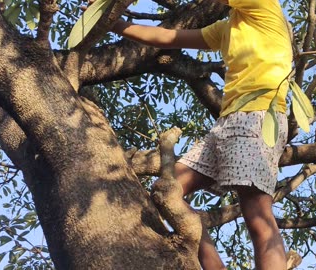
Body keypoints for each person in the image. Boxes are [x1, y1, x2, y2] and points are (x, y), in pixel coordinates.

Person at [103, 0, 293, 268]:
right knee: (166, 192)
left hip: (257, 118)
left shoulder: (264, 7)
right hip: (227, 124)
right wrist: (117, 24)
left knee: (257, 214)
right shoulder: (226, 28)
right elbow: (167, 37)